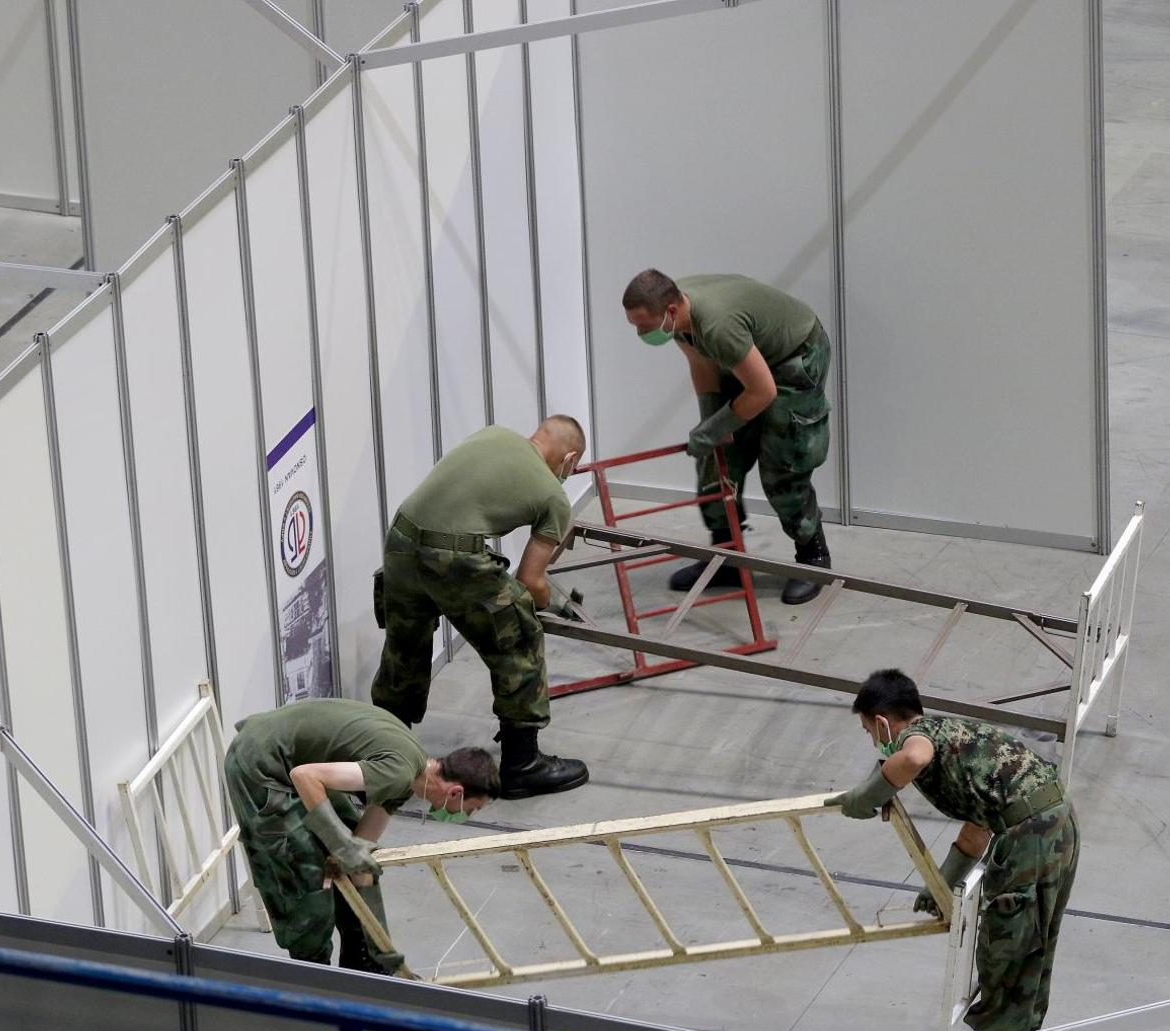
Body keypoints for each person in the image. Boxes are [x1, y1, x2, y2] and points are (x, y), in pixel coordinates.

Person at [826, 670, 1078, 1031]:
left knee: (1006, 945)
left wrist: (865, 796)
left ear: (884, 720)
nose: (875, 742)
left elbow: (912, 758)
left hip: (1032, 837)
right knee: (1029, 946)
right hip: (1052, 824)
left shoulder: (918, 737)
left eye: (869, 730)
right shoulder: (956, 738)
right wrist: (943, 878)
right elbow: (981, 822)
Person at [370, 417, 589, 799]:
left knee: (404, 648)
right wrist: (547, 602)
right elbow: (531, 580)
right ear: (569, 460)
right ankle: (523, 765)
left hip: (401, 539)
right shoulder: (554, 497)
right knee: (519, 640)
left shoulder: (494, 433)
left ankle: (381, 760)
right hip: (455, 558)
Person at [223, 697, 499, 975]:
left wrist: (386, 951)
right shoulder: (398, 773)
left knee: (357, 857)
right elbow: (304, 776)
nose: (467, 816)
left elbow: (362, 851)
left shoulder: (410, 774)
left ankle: (365, 959)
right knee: (302, 868)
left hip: (293, 759)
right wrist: (341, 844)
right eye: (471, 809)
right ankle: (313, 975)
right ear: (456, 793)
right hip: (259, 762)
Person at [621, 270, 832, 605]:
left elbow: (763, 391)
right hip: (752, 356)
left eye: (644, 325)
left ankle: (813, 558)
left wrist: (715, 428)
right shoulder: (678, 317)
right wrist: (712, 426)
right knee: (716, 462)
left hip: (795, 354)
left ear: (671, 310)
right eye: (635, 325)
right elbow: (701, 365)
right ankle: (727, 558)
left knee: (783, 465)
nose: (640, 333)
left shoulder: (718, 326)